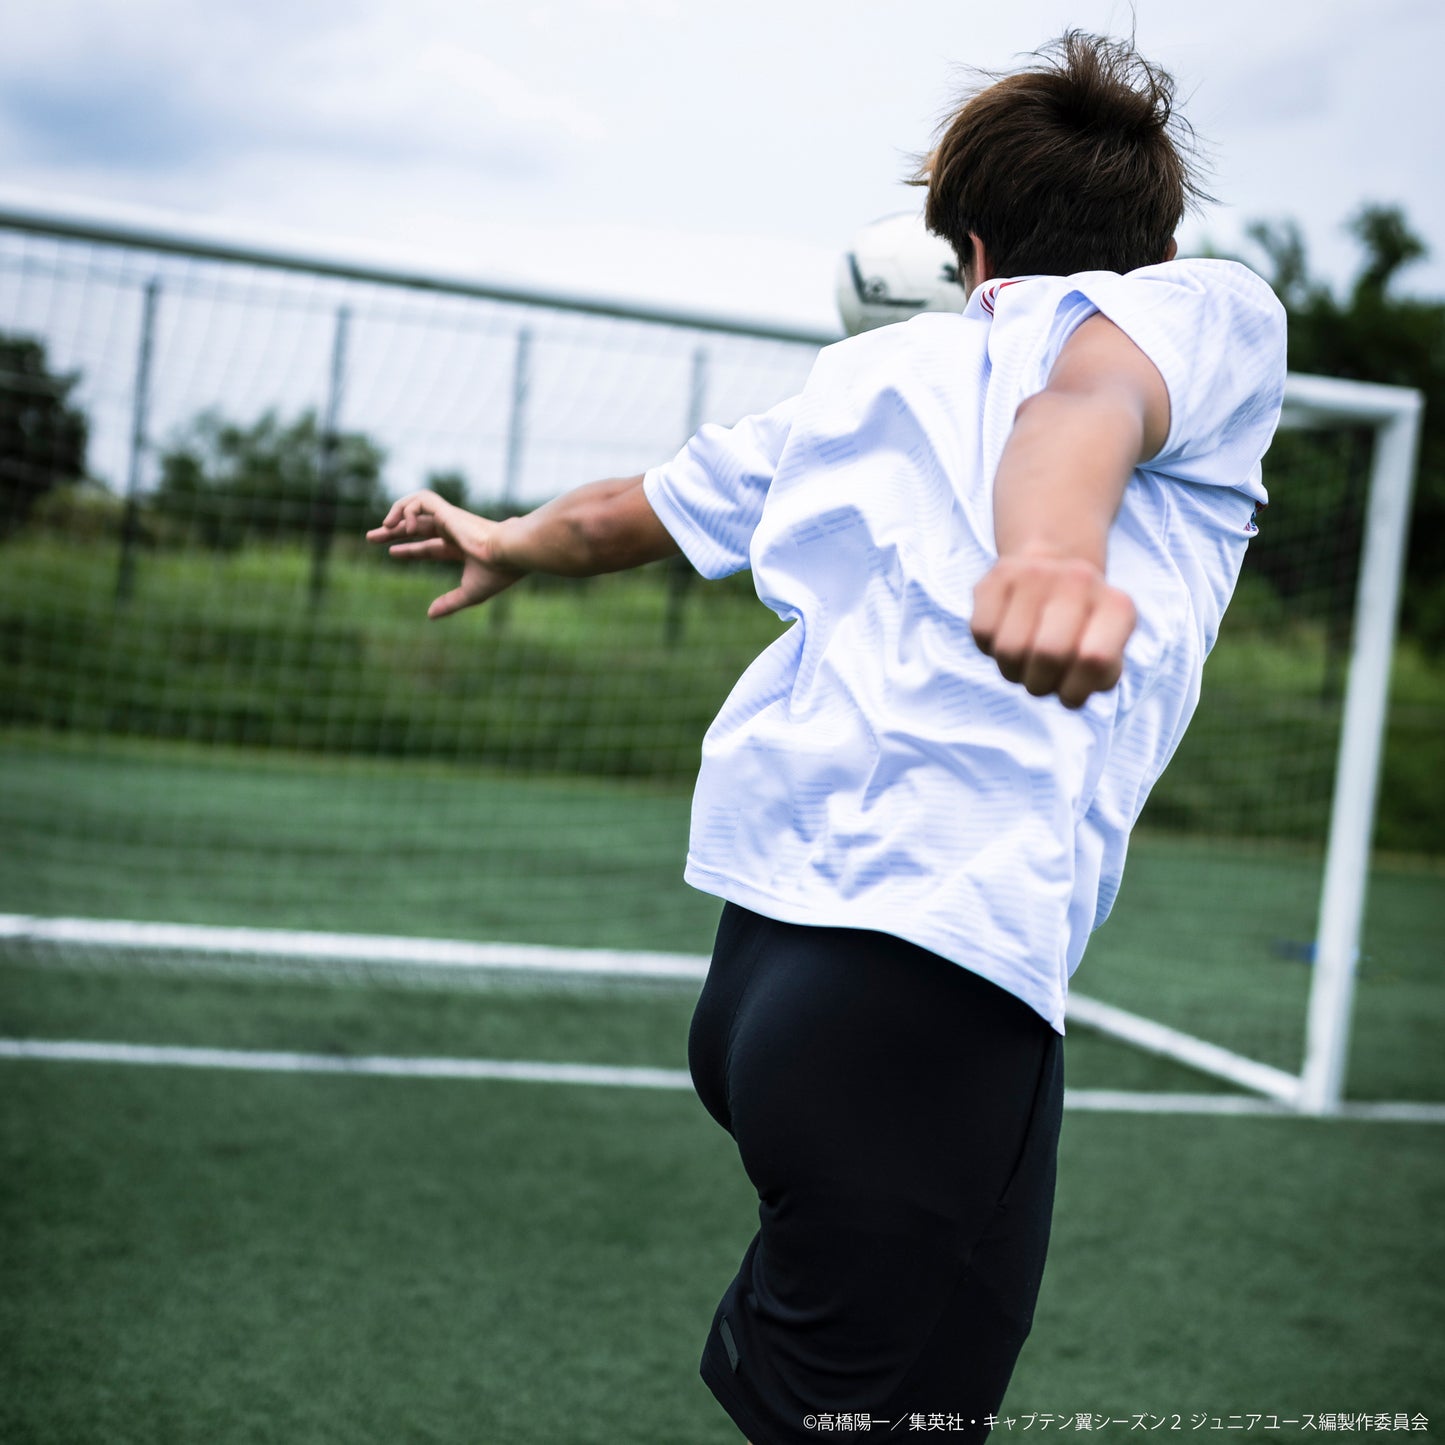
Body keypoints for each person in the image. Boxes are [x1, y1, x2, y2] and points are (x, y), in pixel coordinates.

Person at [367, 30, 1286, 1444]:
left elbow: (636, 510)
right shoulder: (1210, 311)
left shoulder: (871, 378)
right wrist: (1047, 552)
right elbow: (1079, 405)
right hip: (923, 994)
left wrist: (507, 537)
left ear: (970, 249)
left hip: (760, 987)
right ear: (1156, 250)